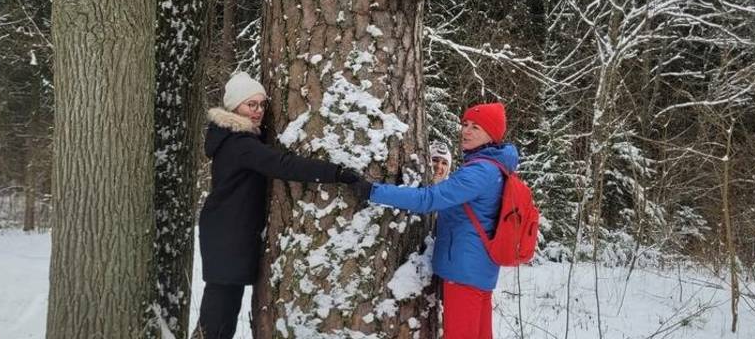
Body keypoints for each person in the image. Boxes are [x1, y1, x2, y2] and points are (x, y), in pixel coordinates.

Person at [195, 71, 360, 339]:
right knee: (219, 318)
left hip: (226, 230)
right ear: (235, 106)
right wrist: (336, 173)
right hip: (228, 235)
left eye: (262, 105)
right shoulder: (240, 144)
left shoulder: (232, 138)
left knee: (219, 313)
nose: (258, 111)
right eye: (251, 104)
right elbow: (283, 164)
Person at [350, 102, 518, 339]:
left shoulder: (480, 172)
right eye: (465, 124)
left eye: (476, 128)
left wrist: (373, 191)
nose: (466, 131)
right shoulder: (497, 168)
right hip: (480, 269)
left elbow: (428, 199)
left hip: (464, 272)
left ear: (491, 135)